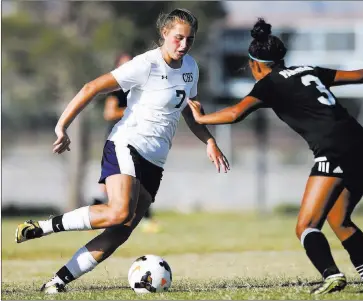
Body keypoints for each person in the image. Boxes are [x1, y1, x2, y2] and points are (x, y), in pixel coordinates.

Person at [187, 18, 363, 295]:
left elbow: (236, 113)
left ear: (255, 64)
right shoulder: (309, 70)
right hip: (361, 144)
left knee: (306, 226)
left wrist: (201, 117)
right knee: (340, 220)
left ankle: (331, 275)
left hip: (334, 149)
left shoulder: (268, 84)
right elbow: (361, 76)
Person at [15, 8, 230, 294]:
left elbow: (190, 111)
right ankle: (44, 227)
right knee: (118, 211)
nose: (183, 45)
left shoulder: (191, 67)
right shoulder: (145, 65)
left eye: (189, 40)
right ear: (164, 34)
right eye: (178, 38)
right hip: (127, 144)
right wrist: (62, 126)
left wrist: (210, 141)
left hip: (155, 160)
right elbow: (92, 87)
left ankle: (57, 282)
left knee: (122, 229)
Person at [95, 52, 160, 234]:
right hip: (119, 142)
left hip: (139, 140)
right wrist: (134, 111)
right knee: (110, 187)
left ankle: (144, 219)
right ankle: (94, 217)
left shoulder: (141, 89)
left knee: (138, 182)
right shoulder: (117, 91)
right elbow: (109, 113)